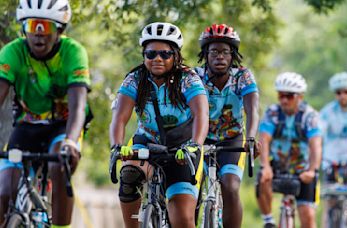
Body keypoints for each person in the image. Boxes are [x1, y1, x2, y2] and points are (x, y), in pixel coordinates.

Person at [0, 0, 91, 227]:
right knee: (4, 191)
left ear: (59, 30)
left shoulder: (73, 52)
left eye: (46, 27)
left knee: (60, 165)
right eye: (33, 26)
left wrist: (71, 141)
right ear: (23, 28)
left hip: (64, 126)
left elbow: (79, 105)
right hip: (27, 126)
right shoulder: (13, 52)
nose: (39, 35)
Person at [109, 22, 209, 228]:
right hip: (146, 142)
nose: (157, 59)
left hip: (181, 148)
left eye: (164, 54)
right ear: (144, 55)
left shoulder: (188, 79)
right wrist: (116, 145)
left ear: (175, 55)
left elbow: (202, 114)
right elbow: (119, 117)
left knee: (181, 220)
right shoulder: (134, 79)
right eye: (150, 53)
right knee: (128, 175)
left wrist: (195, 145)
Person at [195, 23, 259, 228]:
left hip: (232, 140)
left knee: (230, 187)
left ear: (233, 56)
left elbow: (252, 109)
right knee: (190, 193)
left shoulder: (242, 76)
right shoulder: (195, 76)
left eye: (225, 52)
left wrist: (250, 138)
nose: (220, 57)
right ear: (206, 54)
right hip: (199, 138)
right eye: (214, 52)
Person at [256, 72, 322, 228]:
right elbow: (264, 139)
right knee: (263, 177)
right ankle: (268, 220)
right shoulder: (273, 113)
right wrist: (265, 166)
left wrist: (312, 170)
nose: (284, 100)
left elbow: (316, 145)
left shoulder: (310, 116)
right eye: (281, 95)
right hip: (278, 166)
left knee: (307, 216)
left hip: (303, 169)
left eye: (289, 96)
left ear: (300, 97)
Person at [319, 72, 347, 225]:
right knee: (329, 201)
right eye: (338, 92)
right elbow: (319, 133)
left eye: (346, 92)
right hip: (332, 160)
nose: (342, 96)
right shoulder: (327, 112)